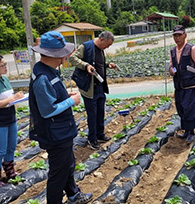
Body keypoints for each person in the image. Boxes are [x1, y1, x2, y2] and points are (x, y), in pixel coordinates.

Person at [29, 31, 92, 204]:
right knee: (58, 174)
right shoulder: (43, 77)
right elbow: (47, 111)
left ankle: (73, 194)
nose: (65, 57)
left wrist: (65, 96)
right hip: (55, 134)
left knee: (68, 165)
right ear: (56, 55)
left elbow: (52, 97)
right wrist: (70, 101)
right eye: (63, 53)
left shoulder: (48, 70)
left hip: (61, 131)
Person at [70, 31, 118, 150]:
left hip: (100, 86)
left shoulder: (101, 50)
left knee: (101, 112)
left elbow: (98, 65)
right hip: (89, 87)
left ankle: (100, 134)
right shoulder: (86, 47)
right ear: (102, 39)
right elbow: (72, 58)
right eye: (107, 45)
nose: (108, 47)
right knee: (92, 114)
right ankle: (92, 139)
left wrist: (107, 65)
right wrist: (85, 66)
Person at [169, 25, 195, 143]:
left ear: (185, 35)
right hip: (178, 85)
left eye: (179, 35)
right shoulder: (173, 51)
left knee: (189, 108)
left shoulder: (192, 48)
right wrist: (171, 70)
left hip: (189, 85)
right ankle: (186, 130)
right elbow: (171, 65)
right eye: (175, 35)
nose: (177, 38)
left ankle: (191, 132)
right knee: (181, 108)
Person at [0, 55, 24, 187]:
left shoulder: (5, 79)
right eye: (2, 65)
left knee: (11, 147)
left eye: (5, 65)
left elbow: (10, 98)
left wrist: (18, 97)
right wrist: (11, 99)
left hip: (11, 118)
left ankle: (10, 172)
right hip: (1, 121)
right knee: (0, 150)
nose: (5, 67)